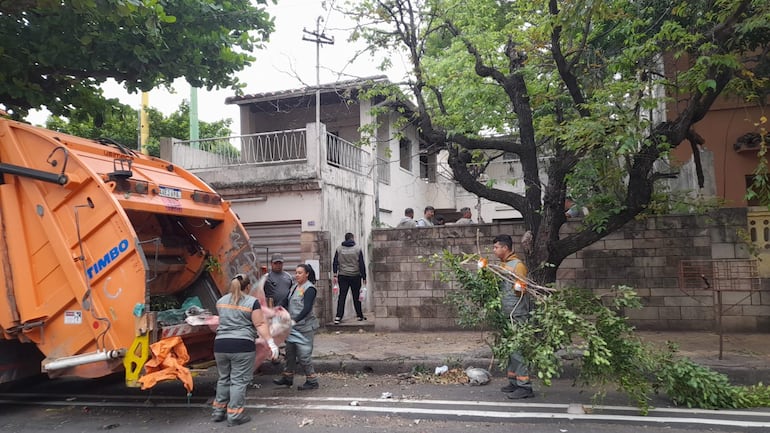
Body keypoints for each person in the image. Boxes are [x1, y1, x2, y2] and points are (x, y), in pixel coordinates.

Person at [211, 274, 279, 426]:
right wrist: (271, 343)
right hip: (241, 345)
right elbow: (260, 324)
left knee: (224, 378)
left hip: (220, 345)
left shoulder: (221, 301)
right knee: (238, 381)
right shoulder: (251, 302)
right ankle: (234, 415)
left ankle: (218, 411)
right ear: (248, 287)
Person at [492, 234, 534, 400]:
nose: (494, 250)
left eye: (496, 247)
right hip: (507, 313)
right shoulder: (503, 264)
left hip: (517, 313)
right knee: (510, 350)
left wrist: (514, 280)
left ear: (505, 248)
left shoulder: (518, 265)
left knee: (517, 350)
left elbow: (522, 288)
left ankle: (525, 386)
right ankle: (514, 381)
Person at [273, 263, 321, 390]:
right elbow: (285, 300)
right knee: (290, 352)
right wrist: (277, 309)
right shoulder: (295, 287)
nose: (297, 275)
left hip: (305, 327)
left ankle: (312, 381)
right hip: (293, 327)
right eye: (296, 272)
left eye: (300, 273)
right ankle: (288, 378)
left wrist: (295, 320)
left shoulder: (309, 289)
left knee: (304, 356)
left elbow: (306, 308)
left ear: (307, 274)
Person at [332, 233, 367, 324]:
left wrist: (335, 274)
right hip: (355, 276)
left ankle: (338, 316)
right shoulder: (357, 249)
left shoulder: (339, 249)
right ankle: (359, 315)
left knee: (342, 296)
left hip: (342, 276)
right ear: (352, 238)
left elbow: (335, 262)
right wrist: (364, 277)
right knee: (356, 296)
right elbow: (361, 264)